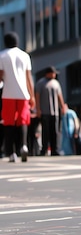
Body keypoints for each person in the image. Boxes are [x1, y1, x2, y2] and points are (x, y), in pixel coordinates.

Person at [0, 32, 35, 162]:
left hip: (8, 93)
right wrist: (32, 96)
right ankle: (24, 146)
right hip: (23, 94)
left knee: (9, 122)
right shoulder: (24, 55)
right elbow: (28, 77)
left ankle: (11, 153)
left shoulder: (2, 55)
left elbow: (0, 75)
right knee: (23, 120)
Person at [35, 66, 66, 156]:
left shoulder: (56, 83)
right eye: (53, 73)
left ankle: (55, 149)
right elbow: (37, 96)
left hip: (55, 111)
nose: (54, 74)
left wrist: (62, 106)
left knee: (55, 131)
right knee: (45, 131)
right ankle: (44, 149)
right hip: (45, 111)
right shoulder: (41, 83)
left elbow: (60, 95)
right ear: (48, 73)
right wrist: (38, 109)